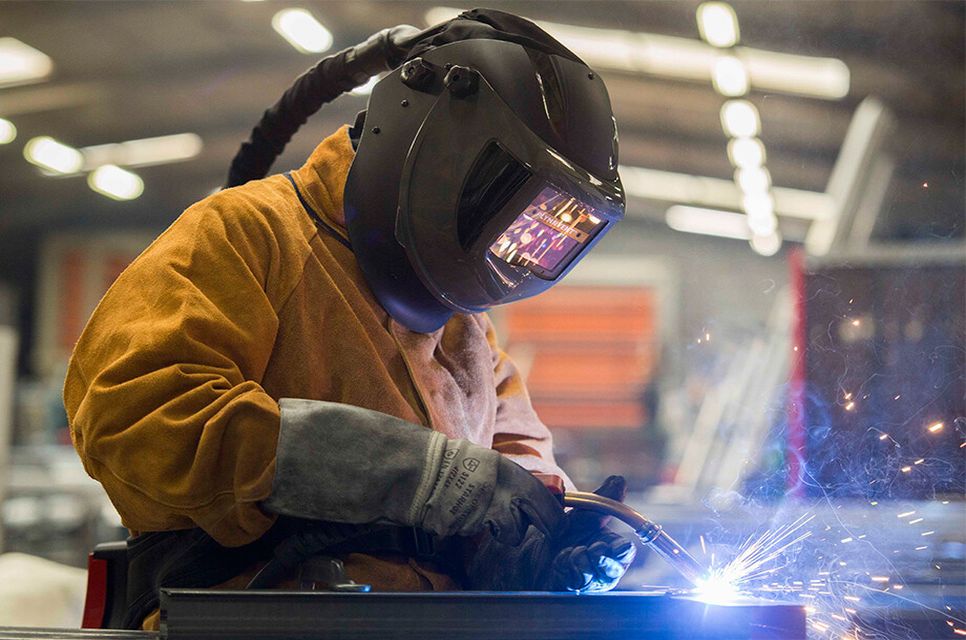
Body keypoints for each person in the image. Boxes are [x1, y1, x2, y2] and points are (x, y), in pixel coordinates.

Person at [64, 8, 634, 630]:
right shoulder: (247, 233)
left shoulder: (465, 327)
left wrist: (546, 536)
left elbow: (514, 456)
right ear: (434, 147)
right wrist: (401, 471)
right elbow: (133, 416)